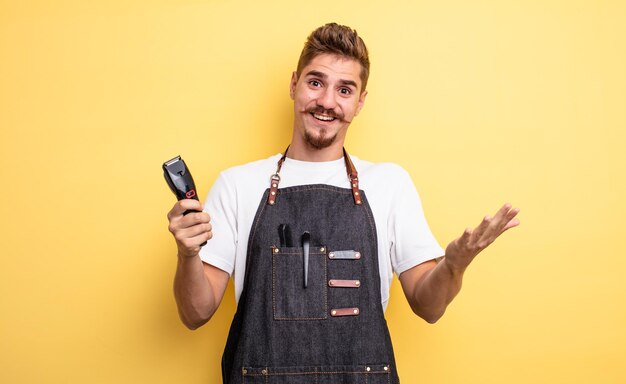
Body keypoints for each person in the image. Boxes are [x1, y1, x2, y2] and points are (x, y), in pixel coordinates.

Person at [166, 22, 520, 384]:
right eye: (315, 82)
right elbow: (195, 313)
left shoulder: (389, 184)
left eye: (345, 89)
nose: (327, 102)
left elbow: (428, 307)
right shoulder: (238, 185)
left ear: (360, 101)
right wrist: (188, 253)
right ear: (294, 84)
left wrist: (455, 265)